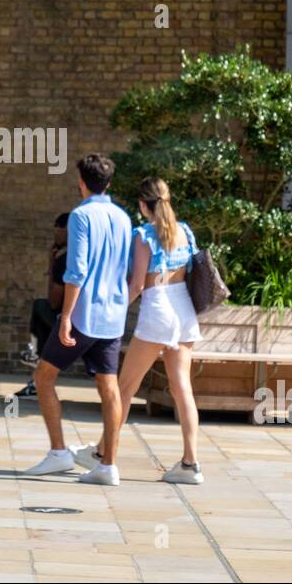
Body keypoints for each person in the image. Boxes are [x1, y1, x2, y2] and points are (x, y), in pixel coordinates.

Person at [23, 154, 132, 485]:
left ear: (81, 182)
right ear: (109, 183)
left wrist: (66, 316)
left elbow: (77, 270)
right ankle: (108, 465)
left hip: (84, 314)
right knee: (109, 387)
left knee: (43, 378)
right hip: (114, 315)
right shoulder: (124, 218)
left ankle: (59, 453)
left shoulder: (81, 216)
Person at [107, 176, 204, 484]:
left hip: (158, 308)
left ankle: (103, 456)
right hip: (183, 309)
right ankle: (191, 464)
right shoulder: (185, 231)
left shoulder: (143, 235)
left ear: (141, 205)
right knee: (182, 388)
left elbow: (136, 285)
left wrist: (114, 309)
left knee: (124, 388)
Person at [15, 213, 71, 398]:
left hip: (70, 322)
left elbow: (54, 300)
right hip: (101, 319)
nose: (55, 235)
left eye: (57, 229)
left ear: (67, 230)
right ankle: (37, 360)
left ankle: (35, 354)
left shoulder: (64, 261)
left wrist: (52, 264)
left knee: (41, 306)